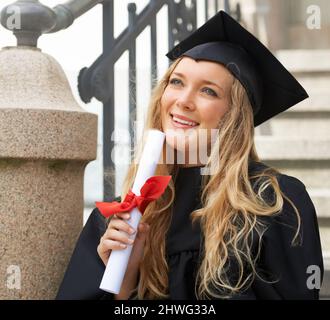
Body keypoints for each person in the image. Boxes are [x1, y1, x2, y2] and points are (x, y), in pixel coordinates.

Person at [56, 10, 324, 300]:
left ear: (234, 115)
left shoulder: (275, 204)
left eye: (208, 91)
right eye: (176, 82)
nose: (183, 101)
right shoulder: (120, 221)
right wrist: (124, 283)